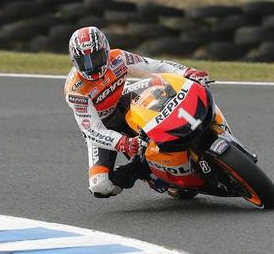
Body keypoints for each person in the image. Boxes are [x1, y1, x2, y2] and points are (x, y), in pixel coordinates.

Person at [63, 26, 211, 198]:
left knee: (158, 82)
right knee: (101, 186)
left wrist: (187, 72)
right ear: (74, 61)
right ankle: (140, 169)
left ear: (106, 51)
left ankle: (190, 124)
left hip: (126, 100)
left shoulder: (118, 57)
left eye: (95, 58)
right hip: (103, 126)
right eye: (84, 61)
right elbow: (91, 130)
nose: (91, 67)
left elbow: (155, 66)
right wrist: (122, 142)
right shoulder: (75, 90)